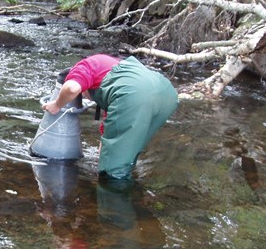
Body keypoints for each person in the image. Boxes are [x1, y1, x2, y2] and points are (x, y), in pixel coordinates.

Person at [42, 54, 178, 180]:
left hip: (134, 94)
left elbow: (71, 88)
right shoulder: (115, 75)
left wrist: (57, 104)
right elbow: (110, 135)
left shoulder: (83, 66)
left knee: (112, 173)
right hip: (167, 94)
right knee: (129, 153)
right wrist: (102, 158)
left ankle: (112, 201)